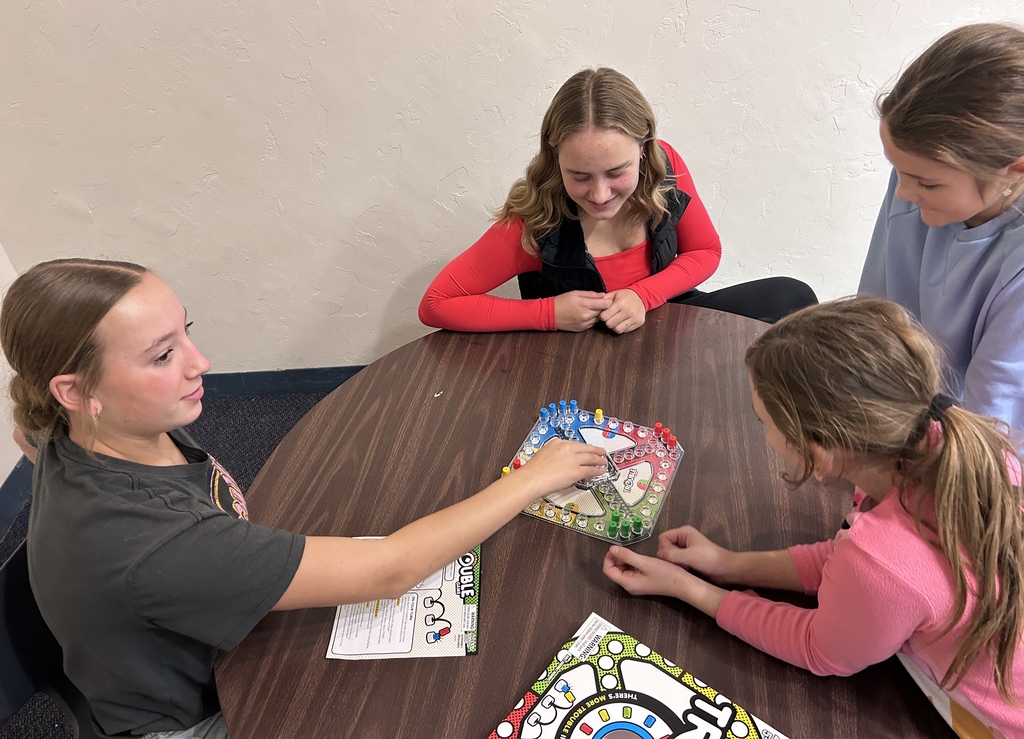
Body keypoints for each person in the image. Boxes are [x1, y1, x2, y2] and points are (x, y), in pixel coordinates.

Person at [1, 258, 608, 739]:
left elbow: (21, 424)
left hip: (173, 647)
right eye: (162, 356)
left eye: (185, 334)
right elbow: (391, 569)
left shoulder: (70, 428)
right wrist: (530, 477)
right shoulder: (155, 543)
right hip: (196, 718)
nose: (200, 364)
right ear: (75, 390)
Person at [602, 296, 1024, 737]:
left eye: (764, 421)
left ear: (818, 455)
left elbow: (820, 647)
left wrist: (688, 589)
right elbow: (847, 562)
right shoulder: (935, 439)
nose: (763, 431)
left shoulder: (881, 560)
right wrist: (726, 563)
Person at [418, 67, 816, 334]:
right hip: (578, 354)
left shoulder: (667, 164)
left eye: (616, 172)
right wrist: (549, 313)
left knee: (792, 297)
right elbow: (436, 303)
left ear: (644, 151)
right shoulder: (535, 217)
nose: (600, 194)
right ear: (555, 160)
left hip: (664, 322)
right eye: (579, 176)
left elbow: (705, 251)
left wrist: (644, 295)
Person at [859, 22, 1024, 431]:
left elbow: (994, 419)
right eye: (898, 171)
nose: (902, 193)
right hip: (903, 417)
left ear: (1013, 171)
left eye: (927, 182)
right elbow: (876, 313)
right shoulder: (913, 187)